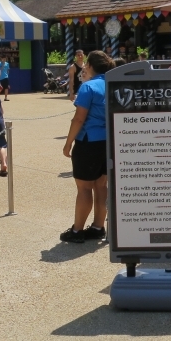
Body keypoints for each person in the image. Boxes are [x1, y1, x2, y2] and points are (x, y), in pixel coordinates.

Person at [61, 51, 113, 243]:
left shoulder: (88, 87)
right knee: (101, 185)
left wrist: (68, 144)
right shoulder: (113, 84)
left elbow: (79, 118)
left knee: (83, 188)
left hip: (89, 141)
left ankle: (77, 231)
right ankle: (98, 226)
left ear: (90, 65)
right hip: (108, 141)